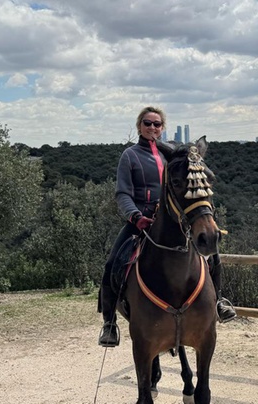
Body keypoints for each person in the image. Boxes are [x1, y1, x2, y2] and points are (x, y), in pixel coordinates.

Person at [98, 106, 237, 348]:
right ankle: (109, 323)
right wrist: (135, 216)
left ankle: (219, 301)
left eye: (157, 124)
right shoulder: (130, 155)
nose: (152, 127)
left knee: (212, 256)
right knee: (113, 262)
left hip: (175, 218)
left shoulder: (171, 154)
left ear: (163, 128)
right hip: (140, 219)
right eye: (147, 123)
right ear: (139, 125)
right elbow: (122, 193)